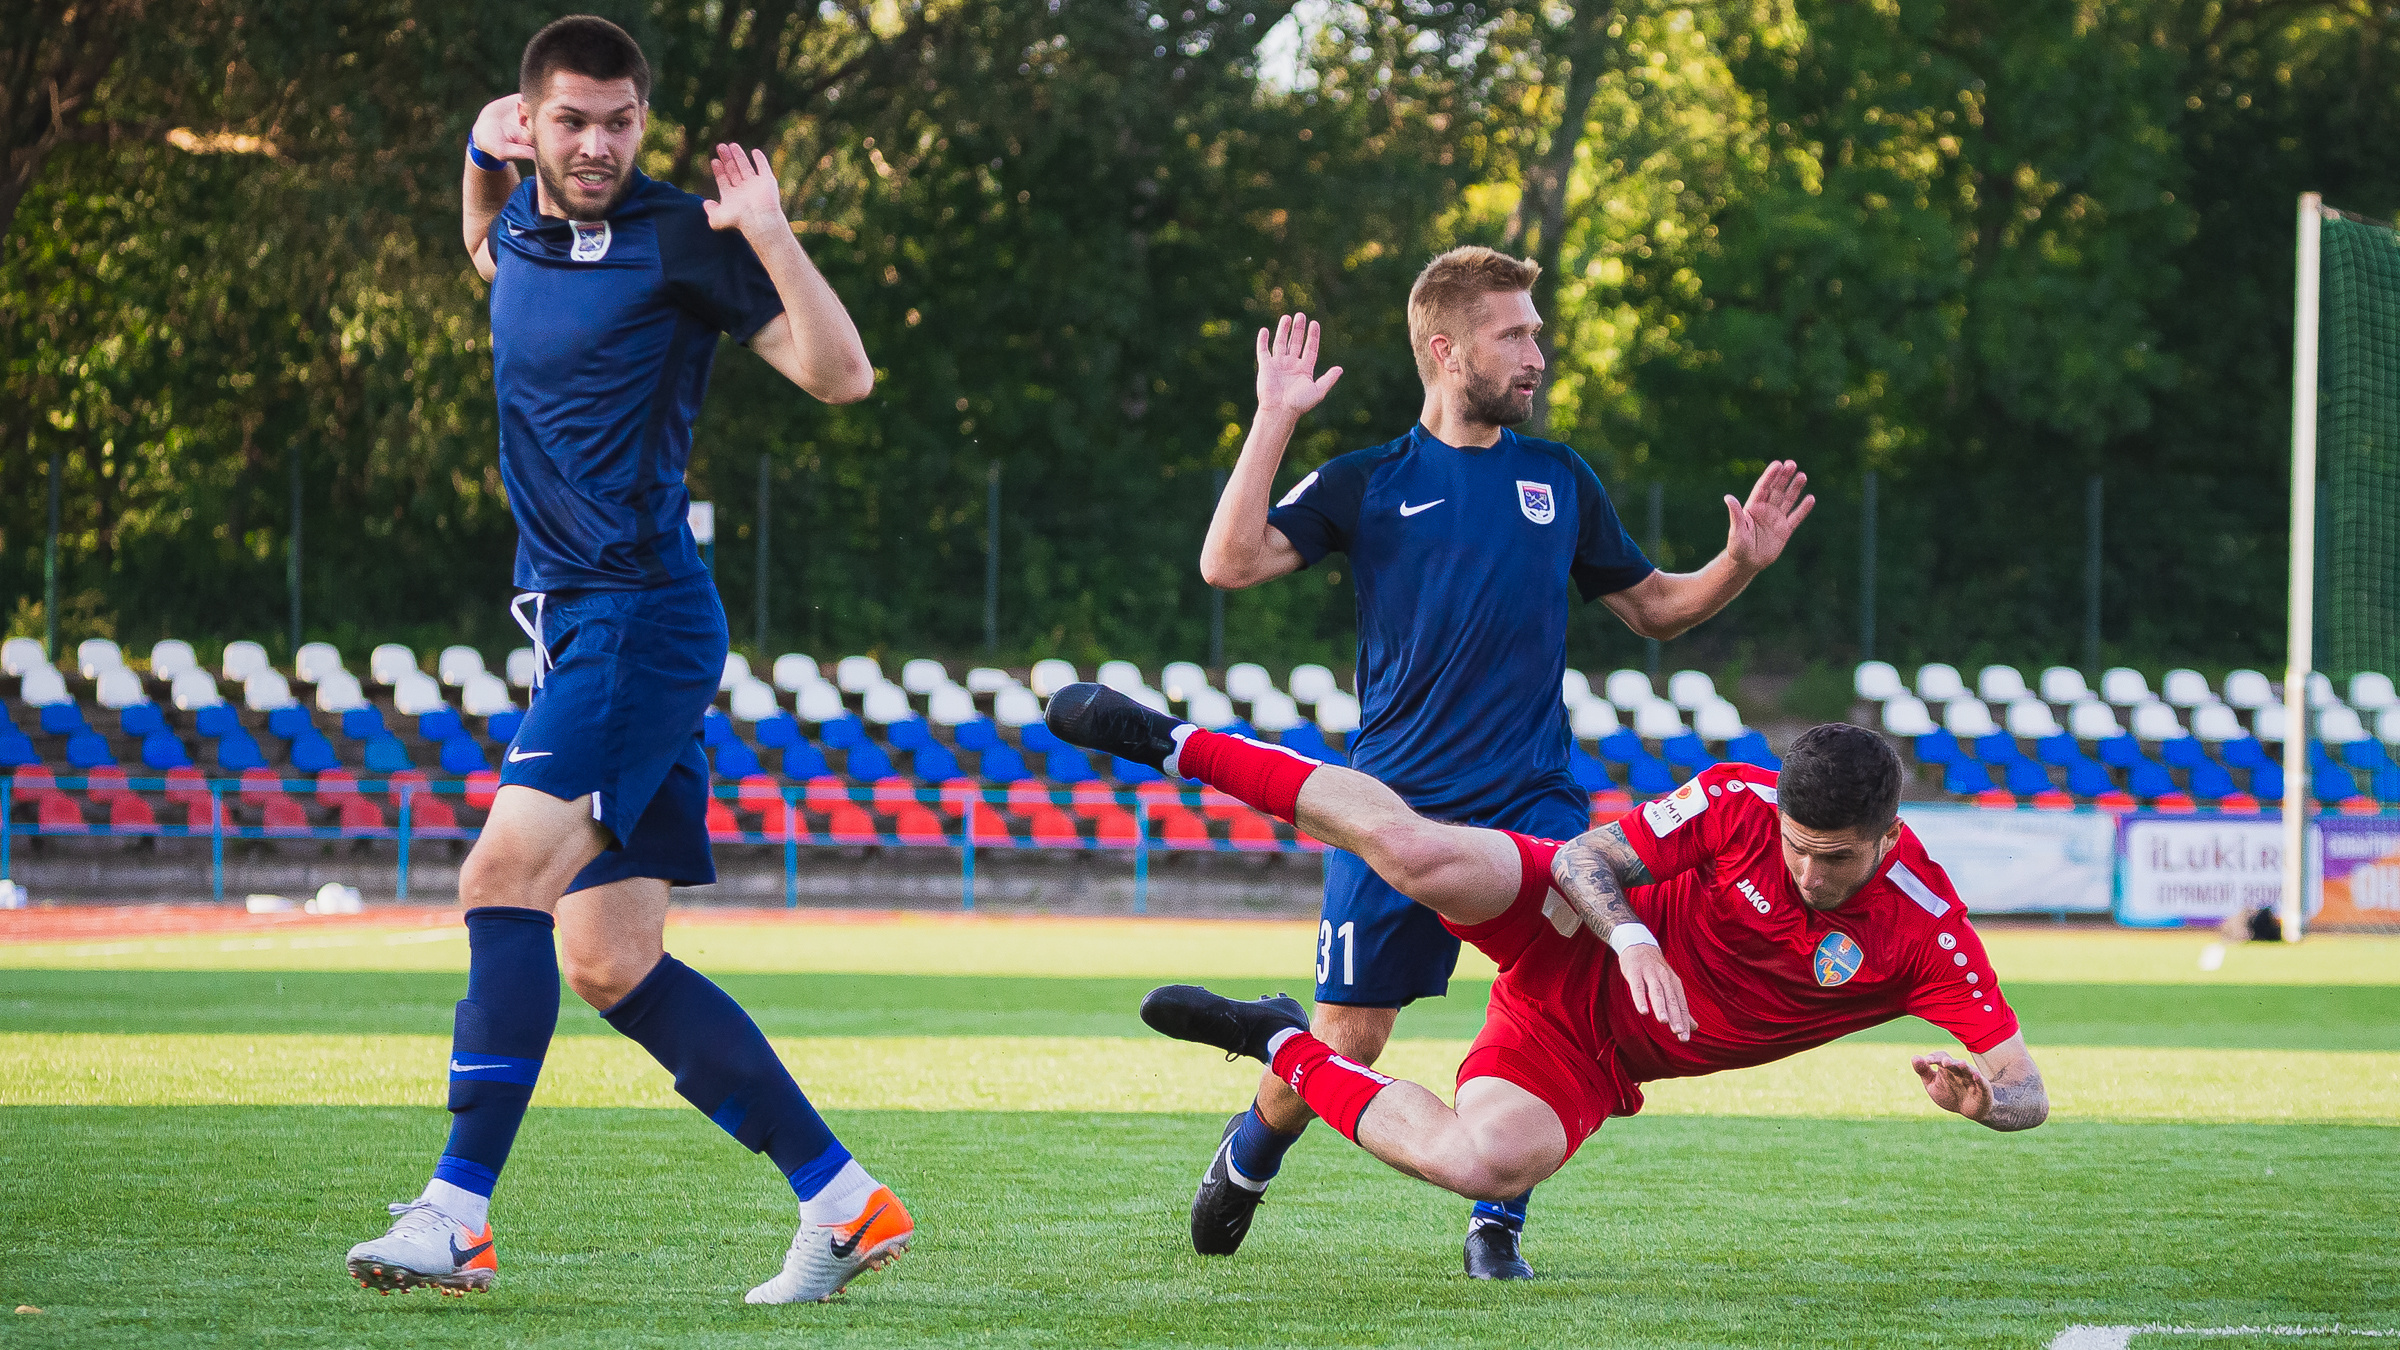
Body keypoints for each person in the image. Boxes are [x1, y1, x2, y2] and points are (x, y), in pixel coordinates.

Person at [343, 16, 908, 1304]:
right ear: (533, 124)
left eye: (619, 122)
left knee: (500, 877)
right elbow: (483, 240)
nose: (598, 145)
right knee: (609, 959)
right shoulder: (521, 225)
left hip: (638, 616)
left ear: (644, 122)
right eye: (573, 122)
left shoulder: (681, 238)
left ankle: (456, 1215)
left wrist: (770, 234)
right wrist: (475, 156)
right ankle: (843, 1201)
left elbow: (844, 377)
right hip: (576, 627)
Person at [1189, 246, 1814, 1276]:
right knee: (1348, 1040)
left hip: (1533, 802)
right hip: (1389, 809)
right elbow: (1230, 561)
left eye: (1537, 332)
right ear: (1446, 349)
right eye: (1514, 334)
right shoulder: (1367, 481)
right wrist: (1275, 419)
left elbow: (1655, 609)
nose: (1537, 353)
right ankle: (1251, 1151)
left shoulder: (1559, 477)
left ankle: (1497, 1221)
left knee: (1565, 1010)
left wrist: (1736, 566)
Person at [1045, 684, 2049, 1237]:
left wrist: (1987, 1104)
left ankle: (1279, 1041)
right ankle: (1175, 743)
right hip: (1574, 926)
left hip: (1584, 1053)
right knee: (1417, 853)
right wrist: (1635, 937)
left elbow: (2026, 1087)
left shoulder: (1929, 932)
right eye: (1795, 848)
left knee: (1483, 1162)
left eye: (1834, 860)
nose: (1808, 874)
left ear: (1888, 837)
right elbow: (1582, 859)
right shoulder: (1740, 800)